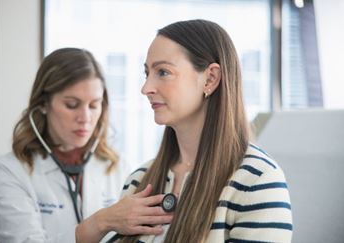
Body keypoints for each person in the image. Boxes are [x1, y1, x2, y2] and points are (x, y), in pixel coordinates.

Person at [116, 19, 293, 243]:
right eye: (147, 73)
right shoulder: (139, 180)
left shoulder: (257, 180)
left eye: (163, 72)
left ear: (210, 78)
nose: (146, 88)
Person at [0, 48, 172, 243]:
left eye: (93, 105)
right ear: (43, 104)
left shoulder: (118, 168)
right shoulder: (10, 172)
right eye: (72, 105)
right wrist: (101, 222)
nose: (85, 118)